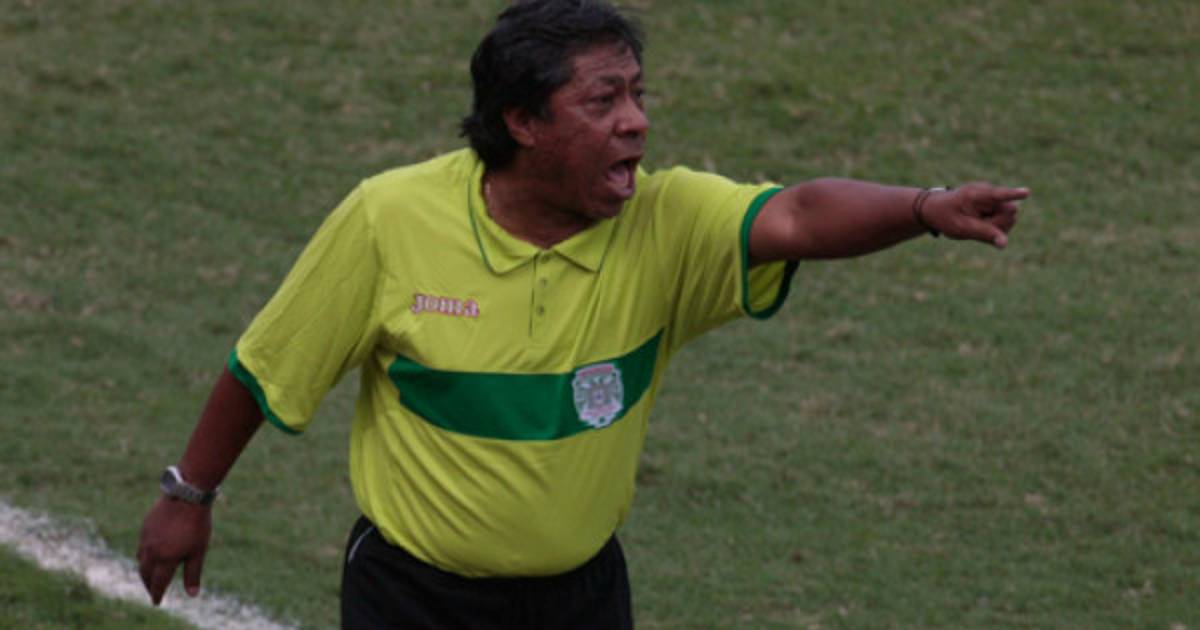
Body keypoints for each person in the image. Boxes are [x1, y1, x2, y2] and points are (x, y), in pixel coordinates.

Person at [137, 1, 1029, 627]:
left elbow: (796, 215)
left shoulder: (665, 222)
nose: (636, 123)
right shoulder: (389, 219)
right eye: (603, 101)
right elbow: (266, 364)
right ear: (523, 122)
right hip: (413, 598)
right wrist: (188, 497)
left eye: (638, 95)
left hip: (582, 600)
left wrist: (925, 208)